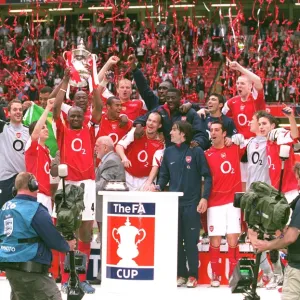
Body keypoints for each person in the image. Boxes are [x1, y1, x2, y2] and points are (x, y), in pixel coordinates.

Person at [52, 70, 103, 294]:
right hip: (67, 185)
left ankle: (81, 277)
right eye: (71, 115)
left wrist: (94, 80)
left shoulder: (90, 130)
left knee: (84, 231)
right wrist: (65, 80)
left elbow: (99, 109)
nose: (74, 118)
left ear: (83, 117)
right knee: (66, 231)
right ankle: (65, 278)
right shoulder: (62, 130)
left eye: (77, 116)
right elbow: (55, 107)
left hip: (87, 185)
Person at [151, 121, 212, 288]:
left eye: (174, 130)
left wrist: (204, 197)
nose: (170, 132)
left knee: (191, 240)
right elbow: (164, 176)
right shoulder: (168, 152)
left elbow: (207, 176)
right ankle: (181, 274)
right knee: (176, 241)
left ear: (183, 134)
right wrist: (157, 186)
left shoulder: (196, 151)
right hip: (173, 204)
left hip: (191, 203)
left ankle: (193, 275)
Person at [0, 172, 76, 300]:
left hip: (11, 270)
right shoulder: (35, 210)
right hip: (32, 270)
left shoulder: (5, 208)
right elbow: (53, 239)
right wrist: (67, 245)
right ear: (33, 185)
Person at [249, 162, 300, 300]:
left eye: (298, 178)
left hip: (297, 270)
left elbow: (291, 237)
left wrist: (267, 245)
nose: (298, 183)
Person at [204, 121, 244, 287]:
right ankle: (215, 276)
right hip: (214, 202)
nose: (213, 133)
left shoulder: (234, 149)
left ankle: (233, 275)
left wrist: (237, 138)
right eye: (211, 130)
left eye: (217, 130)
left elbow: (245, 139)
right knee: (215, 239)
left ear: (224, 133)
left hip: (233, 202)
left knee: (232, 238)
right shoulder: (206, 154)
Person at [94, 136, 126, 283]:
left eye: (97, 146)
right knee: (105, 240)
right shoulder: (108, 160)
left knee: (108, 241)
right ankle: (104, 274)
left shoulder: (111, 161)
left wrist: (86, 185)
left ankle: (105, 274)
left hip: (110, 209)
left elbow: (101, 185)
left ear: (105, 147)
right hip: (105, 208)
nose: (95, 149)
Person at [134, 88, 209, 149]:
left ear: (180, 98)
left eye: (173, 98)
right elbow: (143, 118)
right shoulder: (160, 110)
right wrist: (138, 125)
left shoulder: (190, 113)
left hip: (185, 151)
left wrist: (197, 142)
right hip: (166, 151)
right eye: (168, 98)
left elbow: (200, 133)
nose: (170, 100)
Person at [116, 112, 165, 191]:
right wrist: (124, 158)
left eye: (154, 122)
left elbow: (155, 166)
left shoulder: (160, 144)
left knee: (149, 194)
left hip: (145, 179)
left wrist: (149, 182)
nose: (151, 123)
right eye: (149, 120)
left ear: (159, 125)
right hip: (128, 175)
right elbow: (119, 146)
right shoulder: (136, 131)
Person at [25, 98, 54, 214]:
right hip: (36, 194)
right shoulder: (31, 147)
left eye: (46, 127)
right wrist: (47, 109)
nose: (46, 129)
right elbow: (36, 132)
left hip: (47, 195)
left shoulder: (46, 150)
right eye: (43, 127)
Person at [0, 99, 30, 206]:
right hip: (6, 179)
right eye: (15, 109)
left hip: (24, 178)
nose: (18, 112)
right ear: (8, 113)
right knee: (4, 211)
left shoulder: (29, 130)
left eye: (20, 110)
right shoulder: (3, 128)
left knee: (23, 211)